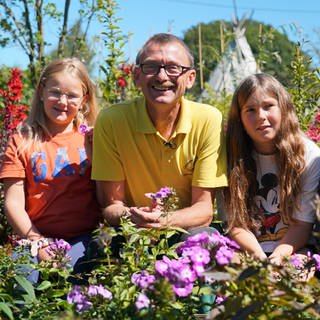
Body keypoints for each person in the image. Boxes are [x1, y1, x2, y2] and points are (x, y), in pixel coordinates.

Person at [92, 33, 227, 234]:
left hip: (186, 231)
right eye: (151, 67)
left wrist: (164, 220)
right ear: (137, 76)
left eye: (173, 68)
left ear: (190, 79)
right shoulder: (112, 120)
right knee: (102, 243)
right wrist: (135, 217)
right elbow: (111, 206)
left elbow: (204, 210)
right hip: (132, 232)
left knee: (206, 240)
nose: (162, 76)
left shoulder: (208, 119)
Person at [0, 57, 102, 279]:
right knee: (22, 280)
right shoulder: (22, 140)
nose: (63, 101)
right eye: (55, 92)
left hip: (83, 237)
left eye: (72, 95)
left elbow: (106, 195)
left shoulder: (93, 138)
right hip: (34, 237)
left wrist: (96, 157)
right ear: (42, 91)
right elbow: (13, 202)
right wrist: (37, 241)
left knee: (75, 280)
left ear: (84, 99)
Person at [223, 73, 320, 265]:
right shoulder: (230, 156)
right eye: (250, 109)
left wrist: (277, 258)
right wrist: (259, 258)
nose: (261, 117)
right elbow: (235, 224)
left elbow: (302, 224)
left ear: (283, 108)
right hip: (245, 248)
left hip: (295, 247)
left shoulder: (308, 154)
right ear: (239, 118)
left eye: (268, 106)